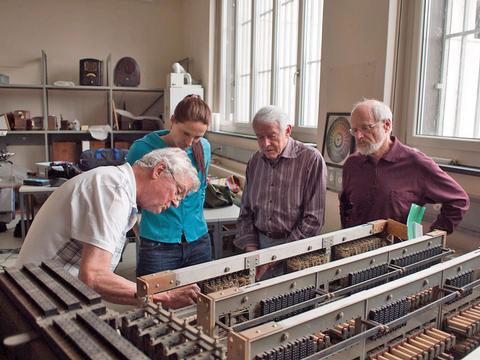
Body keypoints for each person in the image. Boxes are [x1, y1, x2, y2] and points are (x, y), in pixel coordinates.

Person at [17, 148, 201, 308]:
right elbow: (94, 277)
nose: (177, 203)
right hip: (38, 299)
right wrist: (163, 298)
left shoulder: (115, 184)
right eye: (178, 191)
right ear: (159, 170)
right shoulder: (114, 189)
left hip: (50, 292)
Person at [340, 99, 469, 233]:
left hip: (398, 250)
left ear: (387, 125)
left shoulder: (416, 163)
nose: (359, 136)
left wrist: (432, 238)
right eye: (354, 130)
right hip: (355, 249)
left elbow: (459, 200)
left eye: (365, 128)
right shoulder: (352, 164)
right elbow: (345, 206)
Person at [234, 105, 327, 279]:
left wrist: (277, 255)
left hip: (297, 249)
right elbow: (245, 212)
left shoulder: (311, 160)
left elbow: (314, 219)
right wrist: (252, 250)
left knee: (294, 303)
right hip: (260, 247)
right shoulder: (255, 161)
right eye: (260, 137)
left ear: (288, 130)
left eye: (271, 136)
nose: (265, 144)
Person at [126, 95, 212, 276]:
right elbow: (128, 196)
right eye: (185, 133)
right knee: (153, 301)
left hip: (198, 240)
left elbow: (201, 189)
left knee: (201, 299)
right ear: (172, 120)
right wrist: (136, 228)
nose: (189, 142)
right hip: (157, 244)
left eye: (197, 137)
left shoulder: (204, 148)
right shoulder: (142, 148)